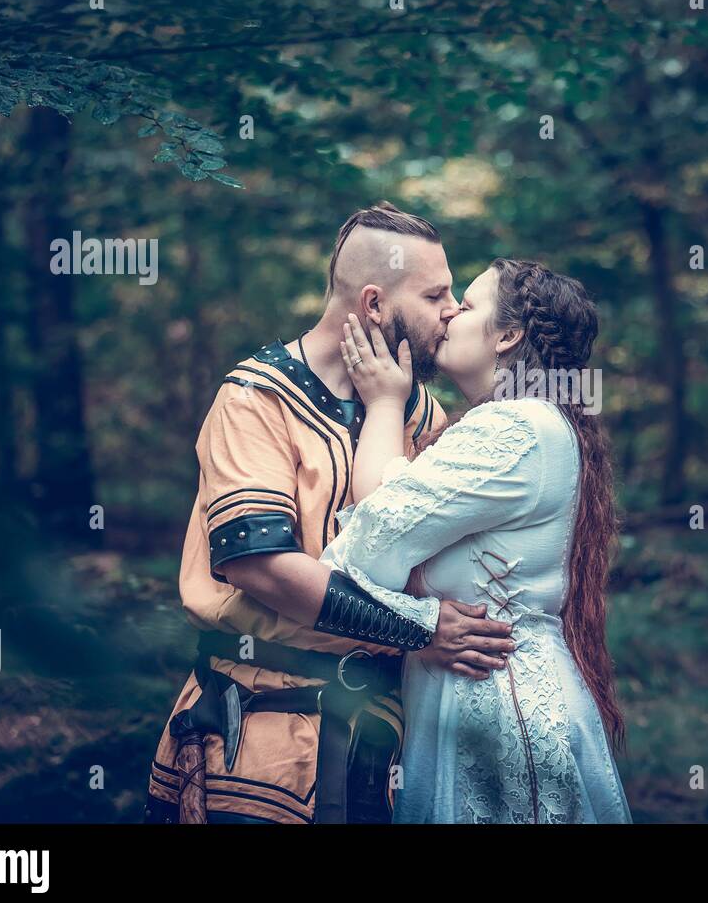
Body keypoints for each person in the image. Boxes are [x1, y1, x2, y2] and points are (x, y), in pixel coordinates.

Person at [143, 203, 516, 824]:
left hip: (383, 737)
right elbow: (262, 569)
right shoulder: (254, 400)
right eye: (436, 294)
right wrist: (420, 630)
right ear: (373, 305)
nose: (453, 309)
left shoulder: (421, 416)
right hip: (257, 733)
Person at [321, 257, 632, 823]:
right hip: (485, 691)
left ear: (508, 336)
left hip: (496, 702)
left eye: (465, 305)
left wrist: (386, 404)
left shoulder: (514, 428)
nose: (447, 314)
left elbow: (370, 541)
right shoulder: (532, 424)